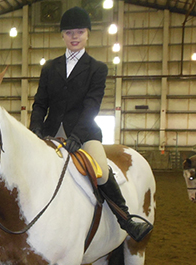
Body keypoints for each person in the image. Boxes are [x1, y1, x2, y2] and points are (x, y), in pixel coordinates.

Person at [29, 6, 153, 242]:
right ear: (62, 36)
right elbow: (39, 103)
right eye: (69, 32)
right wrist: (35, 129)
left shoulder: (97, 68)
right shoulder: (49, 67)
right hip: (49, 132)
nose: (74, 37)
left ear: (87, 34)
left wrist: (77, 135)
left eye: (79, 32)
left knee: (102, 171)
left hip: (83, 133)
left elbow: (91, 106)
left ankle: (125, 219)